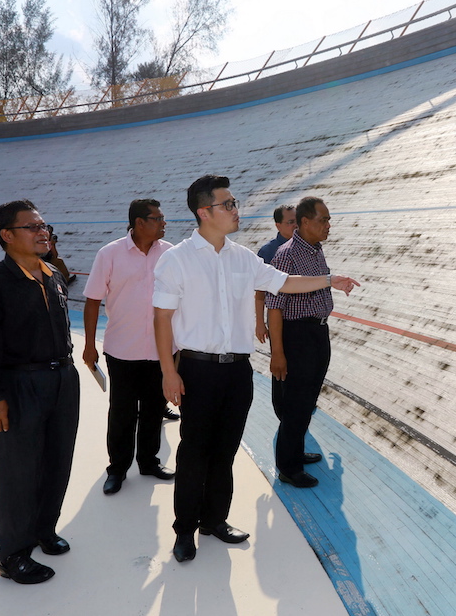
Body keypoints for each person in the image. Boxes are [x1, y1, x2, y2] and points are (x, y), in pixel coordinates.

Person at [152, 175, 359, 563]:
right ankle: (184, 530)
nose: (236, 210)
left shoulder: (243, 257)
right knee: (195, 452)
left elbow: (284, 283)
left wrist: (331, 280)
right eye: (227, 204)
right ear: (204, 212)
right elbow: (162, 319)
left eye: (234, 203)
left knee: (226, 451)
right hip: (197, 370)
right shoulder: (176, 259)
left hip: (237, 372)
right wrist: (168, 371)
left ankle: (214, 520)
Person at [0, 200, 80, 584]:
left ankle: (43, 529)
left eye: (43, 224)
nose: (42, 231)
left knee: (57, 458)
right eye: (31, 226)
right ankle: (12, 551)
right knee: (19, 469)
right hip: (19, 384)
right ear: (7, 235)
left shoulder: (53, 276)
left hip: (63, 378)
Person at [83, 199, 176, 496]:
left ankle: (148, 461)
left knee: (153, 409)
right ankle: (117, 469)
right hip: (122, 349)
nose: (163, 223)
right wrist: (88, 345)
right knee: (122, 413)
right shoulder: (109, 254)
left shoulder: (171, 254)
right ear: (138, 223)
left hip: (162, 350)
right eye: (157, 218)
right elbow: (93, 300)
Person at [266, 196, 342, 488]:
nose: (328, 225)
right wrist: (278, 353)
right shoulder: (286, 254)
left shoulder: (315, 250)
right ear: (305, 222)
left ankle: (296, 452)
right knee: (295, 402)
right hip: (296, 336)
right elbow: (274, 307)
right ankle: (288, 467)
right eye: (323, 219)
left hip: (317, 333)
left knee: (307, 399)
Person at [254, 204, 297, 343]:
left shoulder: (308, 246)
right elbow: (260, 293)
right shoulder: (268, 251)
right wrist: (260, 323)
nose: (296, 225)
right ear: (278, 226)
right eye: (290, 222)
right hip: (281, 321)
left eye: (298, 220)